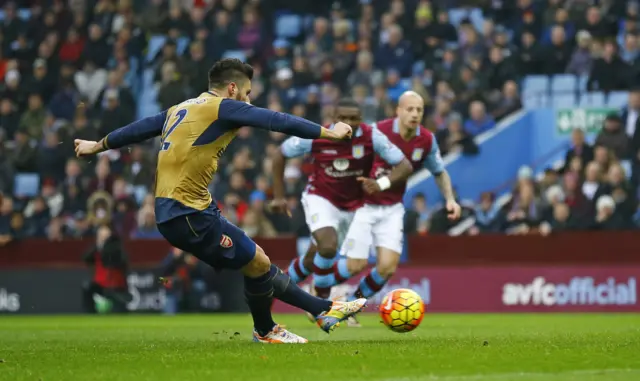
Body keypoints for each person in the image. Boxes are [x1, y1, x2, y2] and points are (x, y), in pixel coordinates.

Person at [74, 58, 367, 344]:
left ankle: (296, 320)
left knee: (257, 262)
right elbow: (275, 120)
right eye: (247, 93)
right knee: (257, 262)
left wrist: (98, 145)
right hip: (186, 212)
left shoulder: (181, 108)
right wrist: (329, 132)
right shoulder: (222, 108)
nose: (248, 100)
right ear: (231, 88)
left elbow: (138, 129)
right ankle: (309, 315)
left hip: (182, 209)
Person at [320, 91, 461, 326]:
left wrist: (450, 199)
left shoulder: (425, 140)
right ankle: (319, 290)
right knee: (356, 264)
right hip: (363, 204)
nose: (415, 114)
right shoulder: (377, 132)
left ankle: (352, 304)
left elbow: (439, 171)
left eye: (419, 110)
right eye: (410, 109)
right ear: (398, 110)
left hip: (392, 207)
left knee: (386, 267)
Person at [270, 98, 413, 303]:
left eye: (353, 118)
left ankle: (275, 286)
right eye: (343, 118)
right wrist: (278, 196)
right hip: (320, 197)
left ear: (361, 119)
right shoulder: (316, 134)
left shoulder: (372, 136)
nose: (348, 122)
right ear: (334, 119)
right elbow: (280, 154)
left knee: (314, 259)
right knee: (328, 246)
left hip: (353, 206)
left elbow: (404, 165)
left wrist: (382, 183)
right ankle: (321, 301)